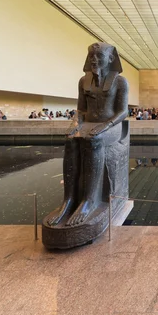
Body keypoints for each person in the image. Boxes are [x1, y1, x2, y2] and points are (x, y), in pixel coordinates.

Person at [45, 42, 129, 227]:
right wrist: (75, 125)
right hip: (90, 123)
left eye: (99, 56)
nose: (94, 59)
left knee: (94, 141)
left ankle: (89, 201)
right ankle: (69, 200)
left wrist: (104, 126)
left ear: (111, 58)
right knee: (70, 142)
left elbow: (123, 112)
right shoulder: (84, 81)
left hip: (112, 126)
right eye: (91, 56)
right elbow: (81, 110)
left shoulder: (120, 81)